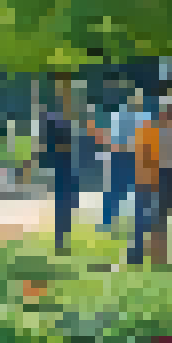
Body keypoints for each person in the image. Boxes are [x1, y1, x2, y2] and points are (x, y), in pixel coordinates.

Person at [129, 98, 172, 266]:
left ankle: (157, 255)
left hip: (164, 179)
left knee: (159, 219)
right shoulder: (148, 131)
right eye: (168, 113)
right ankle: (139, 255)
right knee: (145, 218)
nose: (170, 117)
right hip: (149, 179)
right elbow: (140, 157)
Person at [89, 90, 150, 228]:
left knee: (122, 190)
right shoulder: (139, 116)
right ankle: (110, 221)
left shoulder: (122, 115)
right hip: (128, 155)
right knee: (128, 190)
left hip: (126, 155)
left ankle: (108, 221)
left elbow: (112, 139)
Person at [40, 106, 82, 253]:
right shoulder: (56, 122)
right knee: (64, 204)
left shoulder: (54, 121)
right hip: (65, 166)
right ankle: (61, 240)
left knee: (65, 204)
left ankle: (62, 239)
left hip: (65, 166)